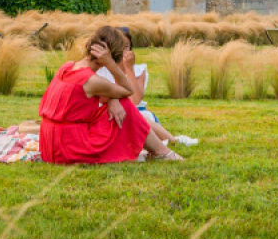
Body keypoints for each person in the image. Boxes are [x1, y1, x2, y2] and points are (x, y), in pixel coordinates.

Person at [38, 25, 181, 164]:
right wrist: (110, 64)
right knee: (125, 104)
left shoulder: (68, 66)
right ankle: (162, 152)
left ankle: (159, 149)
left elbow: (78, 100)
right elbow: (128, 90)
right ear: (112, 55)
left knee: (120, 104)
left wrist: (112, 99)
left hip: (49, 145)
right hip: (68, 148)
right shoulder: (91, 81)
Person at [94, 41, 198, 148]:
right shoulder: (101, 71)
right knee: (131, 116)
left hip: (137, 110)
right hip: (113, 112)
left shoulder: (138, 70)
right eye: (119, 46)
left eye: (126, 47)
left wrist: (129, 68)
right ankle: (168, 141)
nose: (123, 51)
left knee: (138, 115)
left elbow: (135, 100)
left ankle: (168, 141)